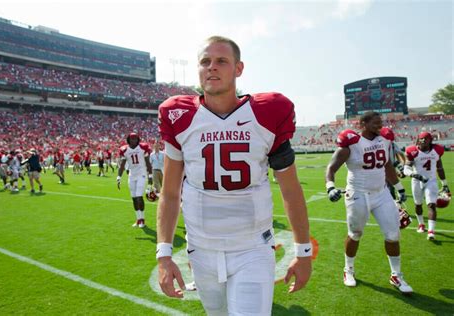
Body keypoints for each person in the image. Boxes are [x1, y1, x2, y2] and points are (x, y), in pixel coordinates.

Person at [156, 36, 311, 315]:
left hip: (252, 248)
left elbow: (290, 189)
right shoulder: (179, 116)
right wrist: (164, 255)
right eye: (205, 61)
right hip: (201, 250)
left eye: (221, 61)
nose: (212, 67)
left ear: (238, 69)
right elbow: (169, 193)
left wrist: (303, 251)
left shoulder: (267, 113)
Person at [325, 111, 413, 294]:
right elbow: (331, 167)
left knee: (393, 234)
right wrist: (330, 186)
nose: (379, 125)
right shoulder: (352, 143)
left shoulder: (385, 140)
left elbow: (387, 165)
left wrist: (399, 187)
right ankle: (348, 269)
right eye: (375, 122)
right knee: (355, 234)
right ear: (363, 124)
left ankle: (396, 275)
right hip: (358, 194)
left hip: (382, 194)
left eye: (380, 122)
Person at [404, 132, 449, 240]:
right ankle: (421, 224)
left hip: (431, 181)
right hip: (416, 181)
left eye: (424, 140)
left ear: (430, 141)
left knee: (431, 205)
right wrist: (414, 174)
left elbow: (440, 168)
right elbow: (406, 168)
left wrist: (444, 184)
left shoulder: (437, 150)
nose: (421, 143)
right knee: (418, 205)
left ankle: (431, 231)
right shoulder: (412, 151)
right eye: (420, 140)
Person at [116, 133, 152, 228]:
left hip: (142, 174)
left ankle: (143, 220)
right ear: (128, 140)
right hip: (132, 175)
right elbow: (122, 165)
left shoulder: (142, 148)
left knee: (139, 196)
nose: (134, 141)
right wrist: (118, 177)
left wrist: (150, 177)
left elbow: (148, 163)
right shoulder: (125, 150)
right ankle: (138, 219)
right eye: (132, 139)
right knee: (134, 198)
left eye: (135, 139)